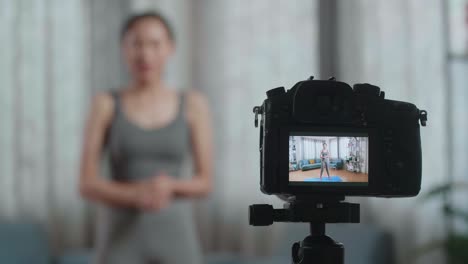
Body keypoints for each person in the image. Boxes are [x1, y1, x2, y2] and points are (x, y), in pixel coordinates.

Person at [79, 11, 212, 264]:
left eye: (155, 44)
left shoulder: (194, 104)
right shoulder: (105, 104)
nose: (145, 54)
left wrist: (170, 186)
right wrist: (135, 194)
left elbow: (205, 182)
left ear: (170, 48)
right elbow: (87, 183)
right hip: (119, 240)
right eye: (136, 44)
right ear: (123, 49)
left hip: (177, 237)